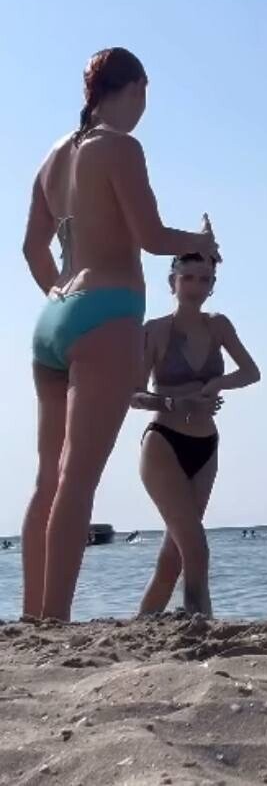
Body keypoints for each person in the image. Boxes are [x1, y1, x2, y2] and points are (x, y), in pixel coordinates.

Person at [21, 47, 219, 622]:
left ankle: (33, 619)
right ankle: (55, 621)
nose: (143, 110)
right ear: (134, 88)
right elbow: (152, 237)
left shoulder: (54, 156)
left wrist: (62, 296)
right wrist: (201, 241)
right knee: (78, 478)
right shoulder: (119, 146)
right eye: (144, 97)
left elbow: (32, 249)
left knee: (48, 477)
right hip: (107, 314)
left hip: (55, 318)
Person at [132, 252, 260, 616]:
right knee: (196, 549)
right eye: (188, 277)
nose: (196, 286)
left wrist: (217, 383)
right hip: (164, 443)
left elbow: (251, 372)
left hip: (206, 445)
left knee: (174, 556)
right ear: (172, 282)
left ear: (213, 285)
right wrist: (176, 402)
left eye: (205, 279)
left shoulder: (218, 325)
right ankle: (200, 625)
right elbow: (133, 395)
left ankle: (142, 624)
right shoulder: (155, 330)